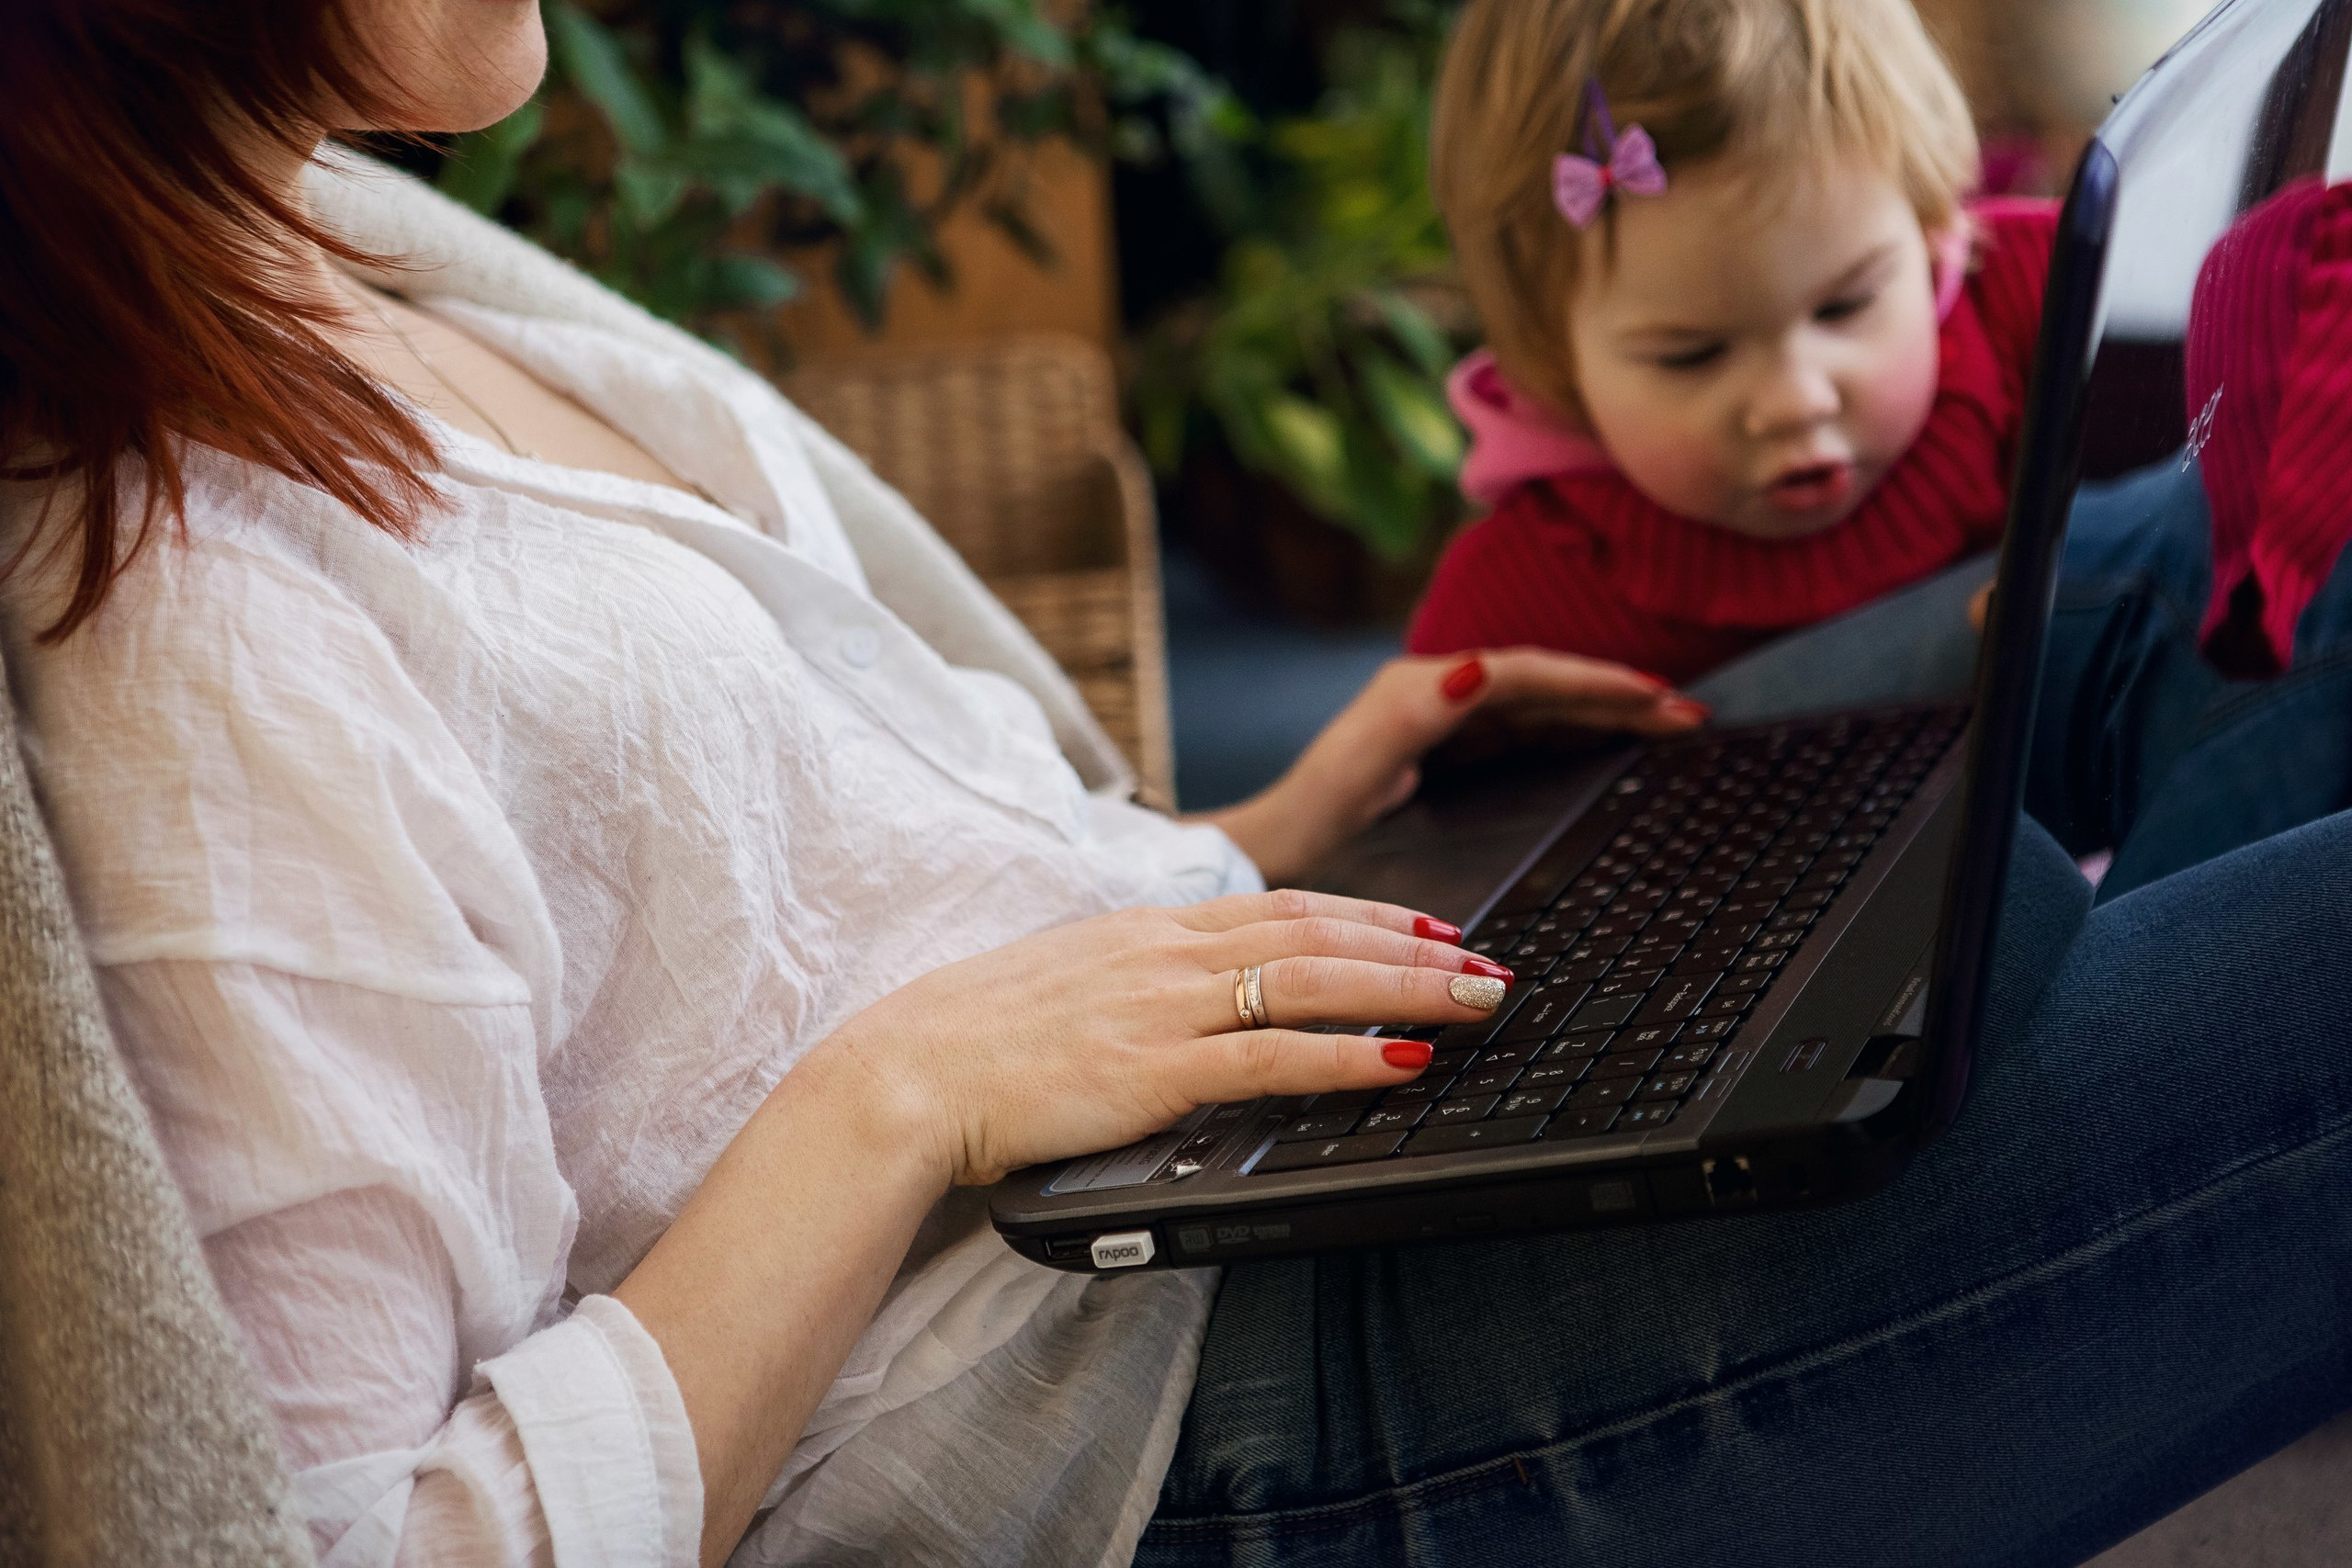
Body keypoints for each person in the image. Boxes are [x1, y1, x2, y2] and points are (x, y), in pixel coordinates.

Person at [8, 5, 2352, 1568]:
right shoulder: (181, 606)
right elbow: (347, 1532)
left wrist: (1253, 837)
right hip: (1183, 1398)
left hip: (1228, 1058)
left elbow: (757, 901)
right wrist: (896, 1096)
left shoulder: (331, 256)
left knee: (2158, 565)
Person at [1404, 0, 2057, 686]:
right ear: (1555, 356)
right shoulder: (1516, 599)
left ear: (1931, 231)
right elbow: (1432, 744)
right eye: (1693, 356)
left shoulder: (2038, 299)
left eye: (1845, 306)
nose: (1796, 401)